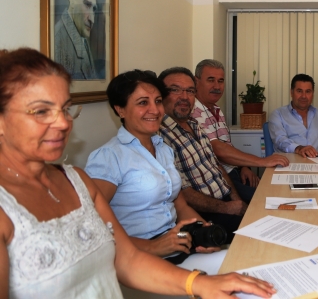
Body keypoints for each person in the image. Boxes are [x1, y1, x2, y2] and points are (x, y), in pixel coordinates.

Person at [0, 48, 275, 298]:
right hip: (158, 260)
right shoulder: (108, 159)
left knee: (259, 274)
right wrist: (158, 249)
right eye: (41, 111)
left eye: (65, 109)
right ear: (120, 109)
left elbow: (127, 257)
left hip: (174, 249)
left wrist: (201, 246)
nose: (62, 122)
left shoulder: (77, 180)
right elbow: (126, 255)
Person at [86, 70, 221, 264]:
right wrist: (153, 247)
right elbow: (89, 225)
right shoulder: (109, 156)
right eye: (143, 103)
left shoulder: (164, 149)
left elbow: (180, 205)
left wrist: (204, 232)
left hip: (178, 244)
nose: (155, 110)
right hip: (138, 258)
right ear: (120, 110)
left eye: (158, 101)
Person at [158, 67, 250, 239]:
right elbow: (181, 193)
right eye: (176, 90)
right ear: (161, 96)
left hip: (226, 201)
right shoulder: (160, 137)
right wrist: (227, 208)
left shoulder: (195, 124)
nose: (184, 97)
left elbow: (216, 165)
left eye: (190, 91)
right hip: (206, 213)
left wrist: (236, 200)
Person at [192, 60, 289, 199]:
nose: (217, 86)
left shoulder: (216, 109)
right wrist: (261, 161)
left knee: (275, 189)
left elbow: (227, 146)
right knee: (266, 198)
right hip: (218, 179)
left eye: (220, 81)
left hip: (233, 171)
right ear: (196, 82)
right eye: (211, 80)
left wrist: (243, 167)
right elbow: (218, 149)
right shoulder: (194, 111)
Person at [269, 74, 318, 158]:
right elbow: (280, 141)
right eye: (299, 91)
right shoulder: (278, 114)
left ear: (313, 94)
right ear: (291, 92)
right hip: (288, 163)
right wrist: (299, 148)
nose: (304, 96)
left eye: (308, 91)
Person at [54, 0, 99, 80]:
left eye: (94, 9)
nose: (92, 19)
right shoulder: (58, 42)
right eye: (87, 5)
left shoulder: (81, 33)